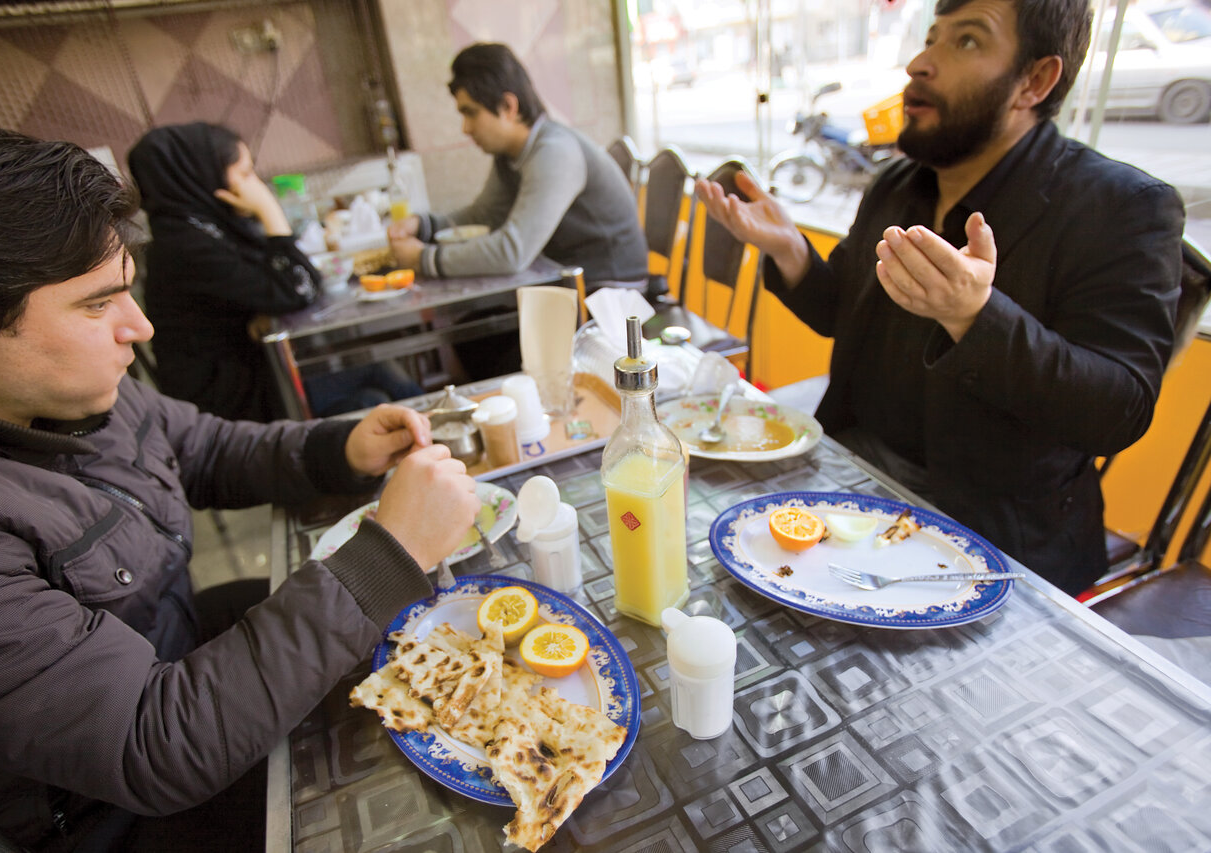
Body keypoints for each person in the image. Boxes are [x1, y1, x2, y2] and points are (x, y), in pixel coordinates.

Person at [0, 124, 480, 851]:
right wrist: (386, 556)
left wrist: (339, 445)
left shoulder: (68, 391)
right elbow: (151, 742)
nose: (140, 326)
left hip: (176, 645)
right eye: (98, 305)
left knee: (440, 664)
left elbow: (206, 445)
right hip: (131, 813)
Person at [697, 0, 1185, 594]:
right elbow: (839, 314)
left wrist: (976, 317)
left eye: (968, 42)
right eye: (932, 38)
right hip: (852, 485)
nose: (920, 64)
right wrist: (789, 249)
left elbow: (1119, 411)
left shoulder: (1120, 206)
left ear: (1034, 80)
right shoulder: (898, 184)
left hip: (994, 536)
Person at [128, 122, 421, 421]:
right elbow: (299, 288)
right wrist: (270, 210)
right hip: (228, 402)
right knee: (375, 371)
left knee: (370, 400)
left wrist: (265, 305)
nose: (254, 185)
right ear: (199, 176)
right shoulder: (187, 246)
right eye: (244, 174)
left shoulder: (204, 229)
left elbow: (285, 283)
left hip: (252, 375)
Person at [387, 42, 648, 292]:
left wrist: (423, 259)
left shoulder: (555, 152)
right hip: (567, 281)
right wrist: (424, 227)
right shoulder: (510, 153)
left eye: (471, 113)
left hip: (612, 294)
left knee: (477, 330)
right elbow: (486, 216)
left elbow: (514, 251)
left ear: (508, 106)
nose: (465, 128)